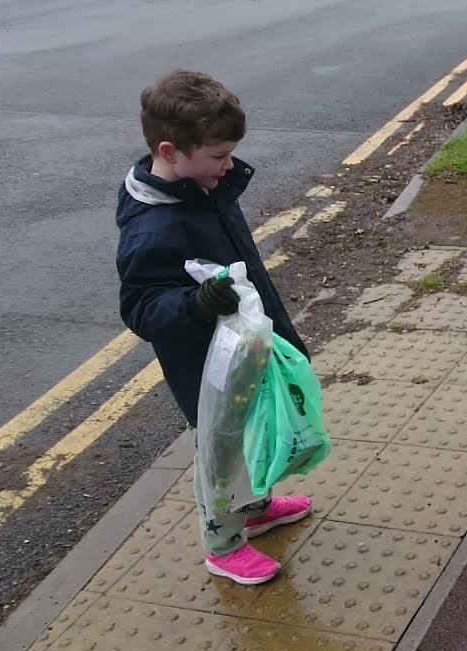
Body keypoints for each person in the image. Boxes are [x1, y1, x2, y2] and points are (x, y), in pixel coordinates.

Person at [116, 69, 313, 586]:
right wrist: (195, 304)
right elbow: (141, 307)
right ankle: (222, 545)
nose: (229, 166)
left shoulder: (203, 187)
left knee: (252, 435)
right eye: (218, 156)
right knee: (221, 453)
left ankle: (256, 507)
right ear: (170, 150)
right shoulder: (152, 226)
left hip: (243, 346)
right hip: (207, 367)